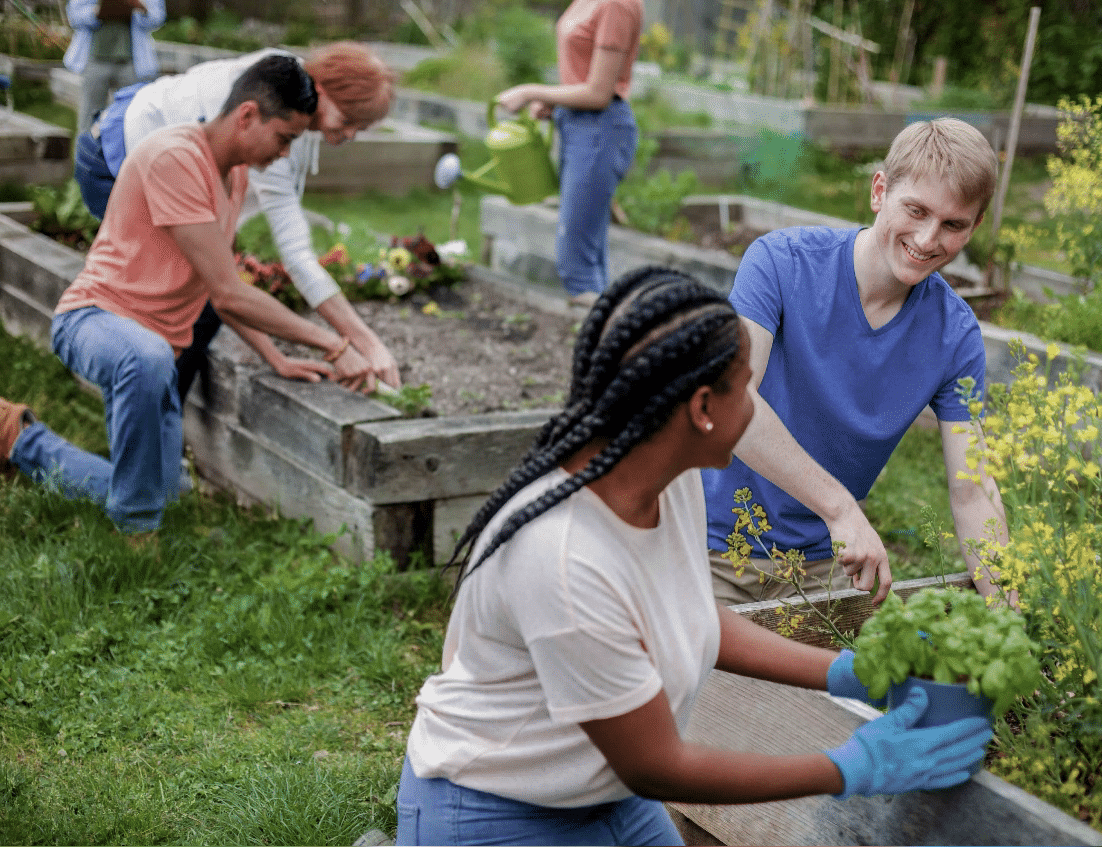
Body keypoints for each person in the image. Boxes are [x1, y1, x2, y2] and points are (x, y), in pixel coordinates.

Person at [396, 267, 994, 846]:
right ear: (703, 409)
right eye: (747, 389)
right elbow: (657, 767)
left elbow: (691, 614)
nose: (758, 407)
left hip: (606, 798)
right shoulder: (565, 559)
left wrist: (846, 672)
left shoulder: (665, 473)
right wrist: (851, 767)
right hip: (497, 809)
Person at [0, 55, 349, 539]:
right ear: (248, 116)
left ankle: (16, 437)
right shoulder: (176, 157)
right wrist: (334, 344)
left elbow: (217, 284)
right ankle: (136, 537)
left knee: (162, 491)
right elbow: (229, 295)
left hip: (154, 355)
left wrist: (276, 356)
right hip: (94, 320)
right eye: (285, 138)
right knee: (147, 372)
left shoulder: (235, 175)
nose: (286, 154)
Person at [702, 118, 1012, 608]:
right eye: (916, 210)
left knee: (870, 680)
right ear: (879, 191)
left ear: (973, 228)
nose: (929, 239)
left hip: (826, 564)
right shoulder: (781, 264)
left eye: (952, 224)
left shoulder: (954, 336)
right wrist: (840, 508)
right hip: (711, 545)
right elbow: (733, 405)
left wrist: (1010, 618)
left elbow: (973, 492)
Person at [75, 43, 400, 398]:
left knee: (205, 295)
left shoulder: (289, 101)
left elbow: (230, 282)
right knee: (175, 301)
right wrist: (362, 343)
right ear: (322, 90)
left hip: (151, 135)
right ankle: (144, 411)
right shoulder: (267, 117)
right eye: (349, 119)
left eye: (361, 127)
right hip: (112, 154)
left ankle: (159, 413)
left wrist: (277, 358)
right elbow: (292, 259)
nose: (351, 134)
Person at [495, 0, 642, 308]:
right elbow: (581, 78)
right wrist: (557, 100)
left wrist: (531, 91)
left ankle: (601, 343)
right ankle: (604, 342)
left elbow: (599, 93)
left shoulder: (616, 5)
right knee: (586, 254)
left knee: (576, 263)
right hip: (578, 126)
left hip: (599, 131)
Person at [63, 0, 166, 134]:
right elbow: (74, 17)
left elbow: (158, 17)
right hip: (94, 61)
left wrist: (141, 7)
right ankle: (88, 154)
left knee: (133, 118)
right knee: (89, 119)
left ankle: (127, 154)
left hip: (132, 64)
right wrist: (96, 12)